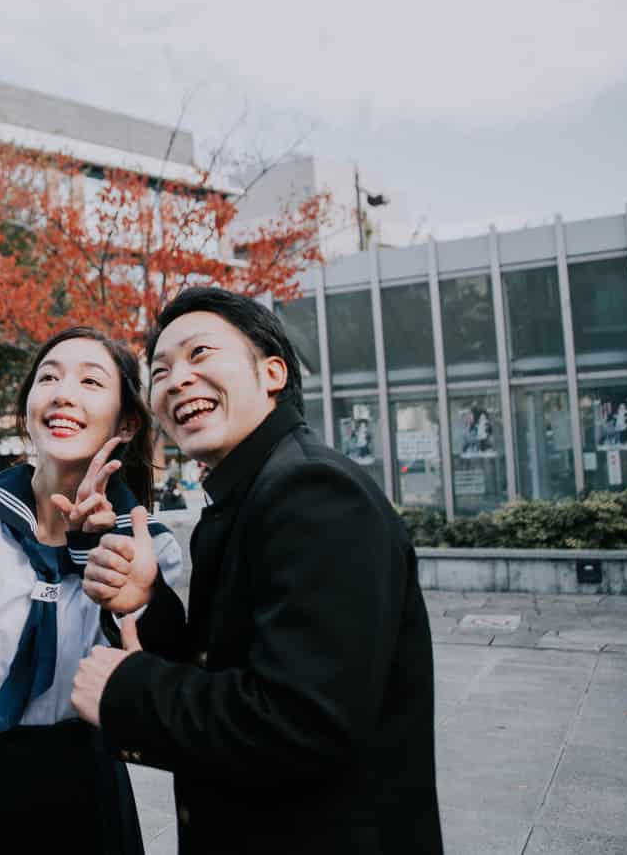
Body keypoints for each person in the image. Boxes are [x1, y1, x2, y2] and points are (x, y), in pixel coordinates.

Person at [71, 287, 442, 854]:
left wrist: (128, 692)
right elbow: (222, 666)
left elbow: (301, 720)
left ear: (272, 372)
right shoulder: (248, 494)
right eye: (161, 371)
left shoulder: (313, 491)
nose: (176, 381)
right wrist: (144, 599)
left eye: (199, 354)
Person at [0, 327, 184, 855]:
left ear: (127, 422)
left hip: (84, 784)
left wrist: (132, 590)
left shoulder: (146, 547)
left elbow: (166, 670)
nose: (63, 393)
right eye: (48, 378)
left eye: (90, 382)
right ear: (27, 408)